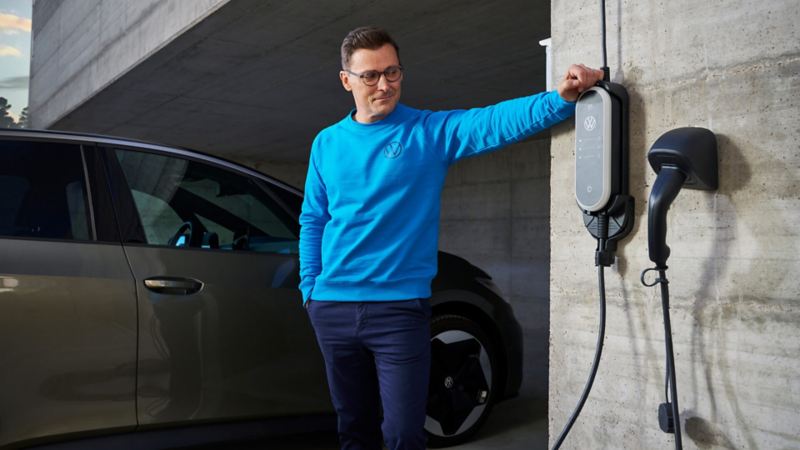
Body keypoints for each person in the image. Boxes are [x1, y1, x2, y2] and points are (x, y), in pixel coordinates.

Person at [299, 26, 604, 450]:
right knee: (354, 427)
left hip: (398, 311)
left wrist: (560, 98)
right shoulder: (326, 144)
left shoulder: (426, 133)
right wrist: (310, 290)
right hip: (331, 307)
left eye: (393, 72)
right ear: (346, 80)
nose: (384, 84)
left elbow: (493, 122)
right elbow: (313, 218)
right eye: (370, 75)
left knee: (404, 435)